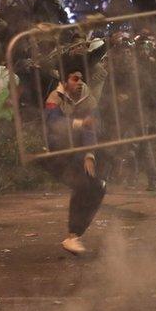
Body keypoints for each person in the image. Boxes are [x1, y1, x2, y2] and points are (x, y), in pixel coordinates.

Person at [44, 65, 107, 255]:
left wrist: (89, 155)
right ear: (64, 81)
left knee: (98, 187)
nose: (79, 83)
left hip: (76, 155)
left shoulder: (87, 98)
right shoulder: (55, 98)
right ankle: (72, 236)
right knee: (82, 185)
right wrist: (79, 123)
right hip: (57, 155)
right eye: (74, 79)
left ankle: (74, 236)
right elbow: (54, 124)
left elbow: (91, 129)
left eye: (81, 79)